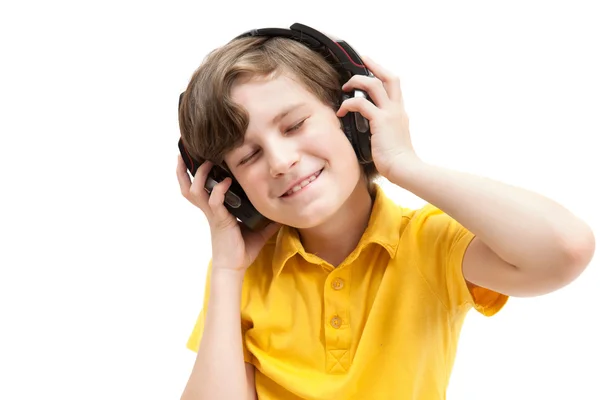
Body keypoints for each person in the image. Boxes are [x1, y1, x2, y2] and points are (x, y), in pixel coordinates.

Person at [175, 25, 595, 400]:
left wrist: (404, 164)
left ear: (354, 116)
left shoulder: (431, 243)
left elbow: (565, 249)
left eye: (294, 125)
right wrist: (228, 272)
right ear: (230, 190)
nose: (281, 161)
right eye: (249, 155)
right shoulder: (242, 272)